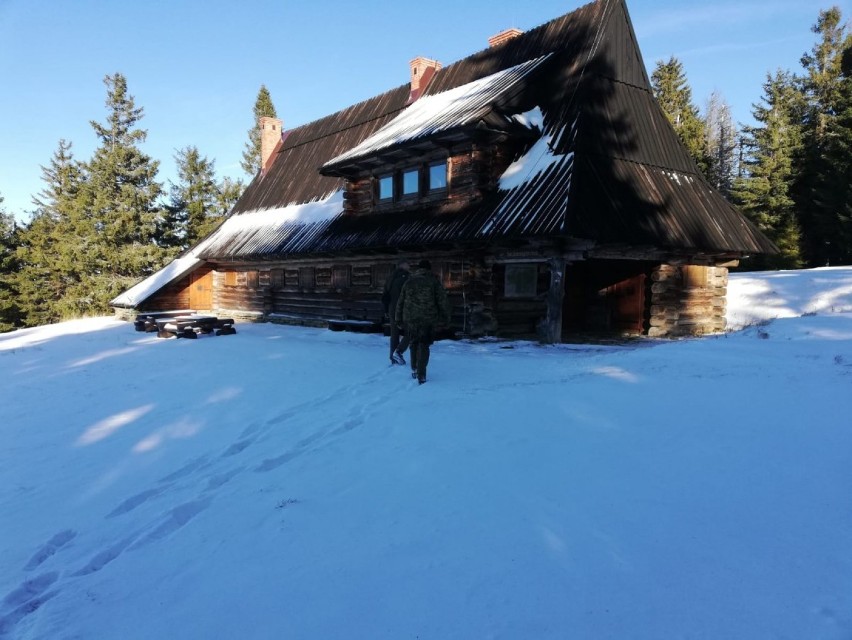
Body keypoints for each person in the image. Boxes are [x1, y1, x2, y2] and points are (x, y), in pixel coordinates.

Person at [395, 259, 451, 384]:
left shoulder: (409, 281)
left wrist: (398, 318)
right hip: (428, 318)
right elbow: (443, 301)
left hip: (411, 318)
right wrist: (446, 318)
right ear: (429, 269)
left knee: (414, 343)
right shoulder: (433, 281)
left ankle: (415, 369)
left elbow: (401, 301)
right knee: (424, 344)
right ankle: (421, 374)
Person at [382, 260, 411, 365]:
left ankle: (393, 357)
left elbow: (385, 295)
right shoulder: (406, 278)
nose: (409, 265)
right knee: (410, 332)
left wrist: (386, 309)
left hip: (391, 308)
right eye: (408, 263)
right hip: (402, 309)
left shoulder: (390, 277)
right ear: (402, 265)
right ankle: (398, 352)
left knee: (394, 333)